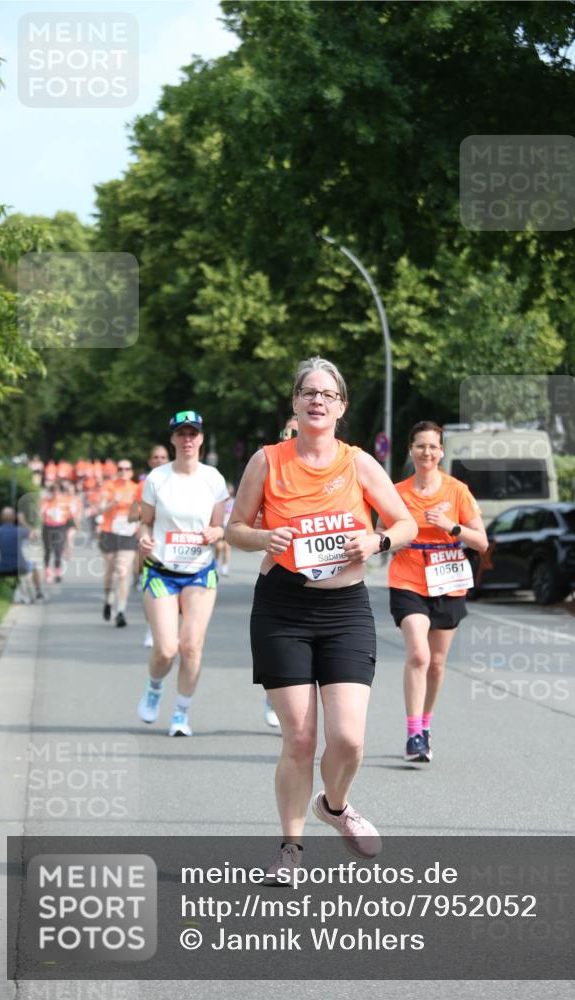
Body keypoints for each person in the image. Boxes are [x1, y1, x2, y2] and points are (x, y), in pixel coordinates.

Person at [227, 358, 417, 879]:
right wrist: (264, 537)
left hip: (345, 610)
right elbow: (235, 529)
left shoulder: (358, 463)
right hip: (282, 608)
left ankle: (334, 806)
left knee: (350, 738)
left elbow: (405, 522)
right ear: (294, 403)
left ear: (341, 407)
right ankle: (290, 850)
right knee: (301, 739)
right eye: (308, 392)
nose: (317, 401)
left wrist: (377, 540)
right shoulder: (268, 461)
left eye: (327, 395)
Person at [379, 421, 488, 764]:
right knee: (419, 655)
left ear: (441, 452)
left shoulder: (457, 491)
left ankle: (425, 725)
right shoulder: (396, 491)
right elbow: (381, 531)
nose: (427, 452)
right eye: (420, 446)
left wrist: (450, 527)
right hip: (408, 579)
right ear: (410, 451)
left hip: (448, 581)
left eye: (433, 447)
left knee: (437, 664)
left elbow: (481, 542)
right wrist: (395, 539)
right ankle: (413, 734)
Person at [136, 410, 228, 737]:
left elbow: (220, 524)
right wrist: (144, 537)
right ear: (173, 439)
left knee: (191, 646)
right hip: (161, 571)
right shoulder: (157, 479)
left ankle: (180, 714)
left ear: (201, 438)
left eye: (193, 433)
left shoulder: (213, 479)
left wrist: (217, 533)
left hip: (200, 572)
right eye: (181, 433)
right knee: (165, 649)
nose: (187, 439)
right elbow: (145, 521)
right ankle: (154, 687)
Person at [262, 415, 299, 730]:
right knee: (284, 652)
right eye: (289, 431)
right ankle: (273, 693)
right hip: (280, 570)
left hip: (328, 580)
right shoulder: (270, 463)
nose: (293, 434)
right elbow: (244, 523)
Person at [128, 444, 170, 647]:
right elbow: (131, 515)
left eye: (163, 457)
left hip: (173, 543)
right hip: (150, 540)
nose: (160, 460)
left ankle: (167, 629)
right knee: (151, 589)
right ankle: (151, 628)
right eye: (156, 457)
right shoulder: (143, 486)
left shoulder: (177, 481)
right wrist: (148, 513)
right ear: (150, 461)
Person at [98, 460, 139, 627]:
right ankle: (108, 600)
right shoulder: (109, 486)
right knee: (110, 573)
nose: (123, 471)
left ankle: (121, 611)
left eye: (127, 468)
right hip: (109, 531)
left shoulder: (136, 489)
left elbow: (142, 510)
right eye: (120, 468)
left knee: (123, 572)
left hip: (128, 533)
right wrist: (113, 502)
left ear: (131, 471)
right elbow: (101, 509)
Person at [0, 507, 43, 600]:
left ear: (1, 518)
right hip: (21, 567)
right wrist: (23, 522)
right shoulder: (19, 531)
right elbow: (35, 537)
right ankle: (38, 592)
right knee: (34, 566)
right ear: (14, 518)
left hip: (3, 568)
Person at [40, 483, 71, 583]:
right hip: (48, 527)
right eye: (53, 490)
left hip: (60, 527)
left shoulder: (65, 500)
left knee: (58, 550)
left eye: (57, 490)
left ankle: (57, 573)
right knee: (48, 550)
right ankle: (47, 570)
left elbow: (69, 514)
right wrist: (47, 507)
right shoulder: (45, 500)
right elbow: (41, 511)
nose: (55, 493)